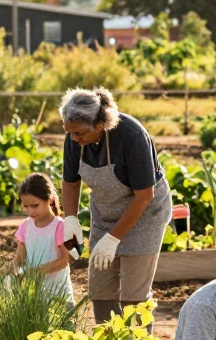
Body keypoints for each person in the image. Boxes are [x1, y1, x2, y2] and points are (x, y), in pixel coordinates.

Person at [59, 87, 172, 324]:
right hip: (105, 213)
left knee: (134, 297)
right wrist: (70, 219)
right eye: (70, 133)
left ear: (99, 124)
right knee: (100, 292)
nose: (75, 140)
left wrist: (112, 239)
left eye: (79, 134)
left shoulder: (131, 136)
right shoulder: (74, 139)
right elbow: (70, 182)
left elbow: (144, 195)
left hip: (145, 214)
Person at [12, 172, 74, 302]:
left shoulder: (60, 226)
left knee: (65, 322)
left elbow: (64, 260)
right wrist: (13, 271)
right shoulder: (25, 226)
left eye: (35, 205)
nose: (30, 211)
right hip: (36, 298)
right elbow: (19, 257)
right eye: (26, 206)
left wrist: (37, 272)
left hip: (60, 297)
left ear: (50, 200)